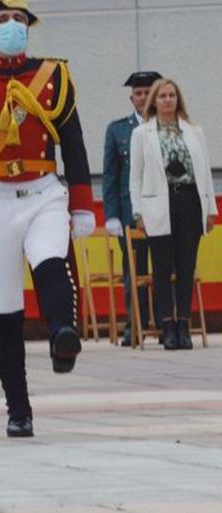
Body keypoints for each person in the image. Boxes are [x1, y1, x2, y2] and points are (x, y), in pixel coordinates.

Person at [0, 0, 92, 438]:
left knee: (50, 260)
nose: (13, 27)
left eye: (20, 20)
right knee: (5, 308)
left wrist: (81, 202)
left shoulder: (54, 75)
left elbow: (74, 141)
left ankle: (63, 333)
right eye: (3, 21)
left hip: (43, 191)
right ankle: (18, 409)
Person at [129, 77, 217, 349]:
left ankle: (184, 326)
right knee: (163, 268)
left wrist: (210, 209)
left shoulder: (194, 131)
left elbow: (205, 173)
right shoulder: (142, 133)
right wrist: (138, 211)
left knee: (187, 267)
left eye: (172, 95)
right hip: (159, 203)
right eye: (163, 96)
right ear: (154, 101)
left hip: (190, 200)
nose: (168, 100)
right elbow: (135, 176)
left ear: (178, 99)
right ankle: (167, 326)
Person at [104, 71, 161, 346]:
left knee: (164, 268)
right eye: (138, 93)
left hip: (162, 210)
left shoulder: (167, 125)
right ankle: (134, 327)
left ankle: (165, 324)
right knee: (133, 272)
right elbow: (111, 176)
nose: (143, 97)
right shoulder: (117, 130)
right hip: (130, 212)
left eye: (148, 92)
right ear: (131, 98)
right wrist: (112, 214)